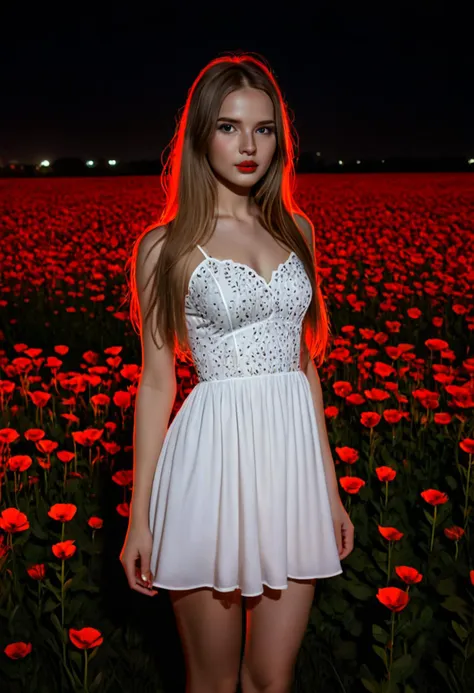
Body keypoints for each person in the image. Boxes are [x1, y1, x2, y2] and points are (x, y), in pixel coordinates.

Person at [120, 52, 354, 693]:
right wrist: (139, 518)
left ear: (280, 137)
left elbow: (305, 369)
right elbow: (156, 383)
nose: (248, 145)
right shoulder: (164, 246)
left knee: (273, 679)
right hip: (212, 465)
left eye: (264, 128)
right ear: (200, 134)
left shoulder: (297, 229)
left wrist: (328, 491)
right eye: (229, 127)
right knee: (213, 682)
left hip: (291, 468)